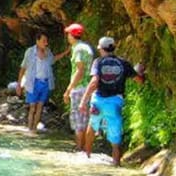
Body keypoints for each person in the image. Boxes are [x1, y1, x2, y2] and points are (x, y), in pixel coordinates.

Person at [79, 37, 146, 166]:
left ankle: (87, 155)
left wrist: (83, 101)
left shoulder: (98, 62)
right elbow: (139, 80)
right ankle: (116, 164)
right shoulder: (123, 63)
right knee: (115, 132)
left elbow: (94, 82)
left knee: (93, 125)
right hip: (115, 102)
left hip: (98, 100)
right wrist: (141, 73)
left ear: (101, 49)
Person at [57, 23, 94, 150]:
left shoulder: (78, 49)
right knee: (85, 118)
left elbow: (80, 70)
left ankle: (79, 148)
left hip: (79, 89)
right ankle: (85, 148)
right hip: (88, 88)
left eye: (68, 34)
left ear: (73, 35)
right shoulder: (87, 48)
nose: (67, 36)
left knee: (78, 120)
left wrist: (68, 90)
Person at [16, 33, 55, 133]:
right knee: (32, 106)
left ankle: (34, 129)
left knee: (40, 106)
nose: (46, 43)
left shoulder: (48, 51)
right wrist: (19, 84)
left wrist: (66, 52)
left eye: (46, 41)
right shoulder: (30, 51)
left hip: (45, 82)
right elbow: (23, 67)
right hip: (33, 82)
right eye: (43, 41)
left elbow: (53, 59)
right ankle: (29, 128)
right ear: (37, 41)